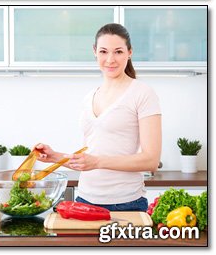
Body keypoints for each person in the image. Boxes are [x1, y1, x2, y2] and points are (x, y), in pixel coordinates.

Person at [35, 23, 162, 212]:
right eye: (103, 51)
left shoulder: (142, 93)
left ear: (129, 52)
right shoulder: (90, 97)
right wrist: (55, 157)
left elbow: (151, 160)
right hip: (84, 200)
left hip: (127, 204)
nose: (110, 59)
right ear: (95, 52)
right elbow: (89, 159)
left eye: (118, 52)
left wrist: (97, 162)